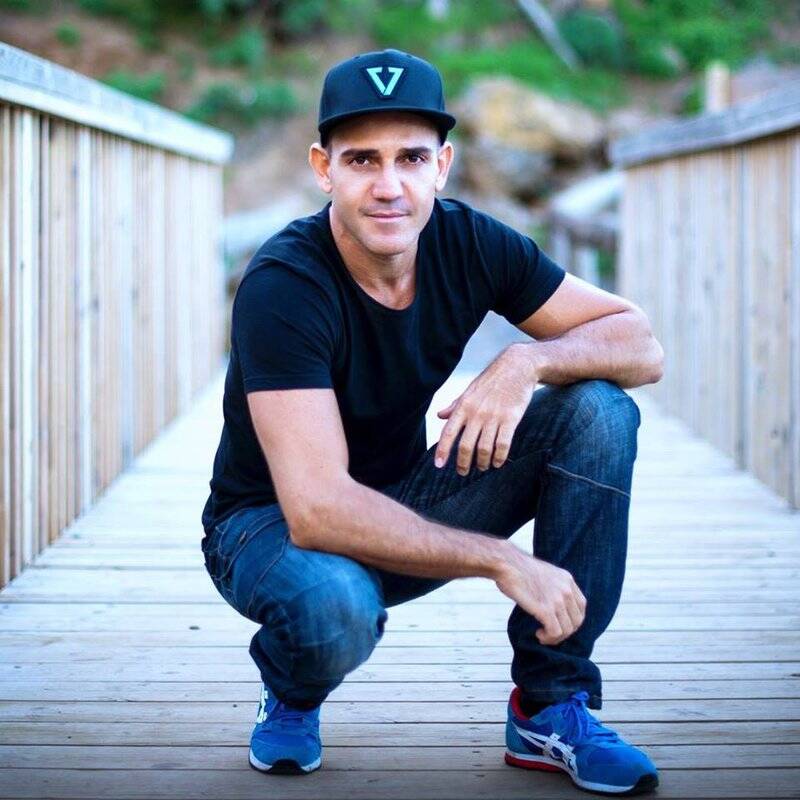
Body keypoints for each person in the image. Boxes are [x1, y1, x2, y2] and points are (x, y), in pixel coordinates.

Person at [200, 48, 664, 796]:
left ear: (442, 166)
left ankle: (549, 705)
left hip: (403, 494)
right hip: (268, 525)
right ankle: (292, 682)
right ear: (323, 169)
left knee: (599, 411)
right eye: (362, 160)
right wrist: (503, 560)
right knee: (334, 607)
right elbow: (316, 509)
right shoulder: (284, 284)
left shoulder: (468, 242)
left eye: (411, 158)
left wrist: (526, 362)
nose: (390, 186)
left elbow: (640, 344)